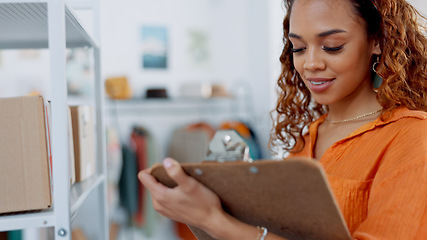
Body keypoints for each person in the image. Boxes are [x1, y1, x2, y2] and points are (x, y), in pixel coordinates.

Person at [139, 0, 427, 239]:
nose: (310, 63)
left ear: (376, 40)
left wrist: (217, 223)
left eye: (332, 46)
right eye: (298, 48)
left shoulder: (414, 138)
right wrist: (201, 208)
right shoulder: (307, 138)